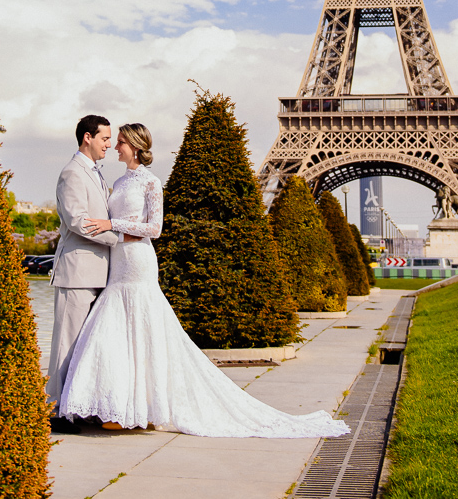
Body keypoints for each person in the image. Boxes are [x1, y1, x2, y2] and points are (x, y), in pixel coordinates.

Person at [59, 123, 350, 439]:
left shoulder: (151, 182)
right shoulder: (116, 181)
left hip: (139, 262)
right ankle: (124, 405)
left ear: (135, 145)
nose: (115, 147)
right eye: (112, 141)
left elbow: (154, 228)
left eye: (120, 142)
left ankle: (141, 407)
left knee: (142, 329)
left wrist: (111, 224)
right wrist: (111, 228)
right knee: (118, 331)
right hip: (118, 263)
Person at [46, 114, 119, 433]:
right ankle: (57, 410)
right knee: (66, 343)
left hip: (99, 273)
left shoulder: (96, 174)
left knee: (86, 345)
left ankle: (79, 405)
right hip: (76, 273)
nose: (109, 144)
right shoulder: (72, 174)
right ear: (87, 137)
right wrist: (119, 238)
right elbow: (78, 220)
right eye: (105, 138)